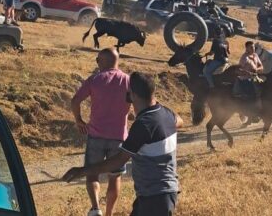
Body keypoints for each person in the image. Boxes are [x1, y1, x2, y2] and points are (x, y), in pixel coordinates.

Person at [64, 72, 183, 216]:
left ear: (132, 95)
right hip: (159, 194)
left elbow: (118, 161)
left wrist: (82, 171)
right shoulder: (165, 114)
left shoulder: (143, 125)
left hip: (155, 197)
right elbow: (179, 121)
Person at [70, 48, 131, 216]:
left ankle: (96, 209)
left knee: (92, 173)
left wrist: (79, 120)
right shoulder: (127, 80)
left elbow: (75, 101)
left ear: (101, 61)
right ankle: (110, 213)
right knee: (115, 176)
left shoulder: (94, 79)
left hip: (96, 135)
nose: (97, 63)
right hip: (119, 137)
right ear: (117, 61)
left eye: (98, 60)